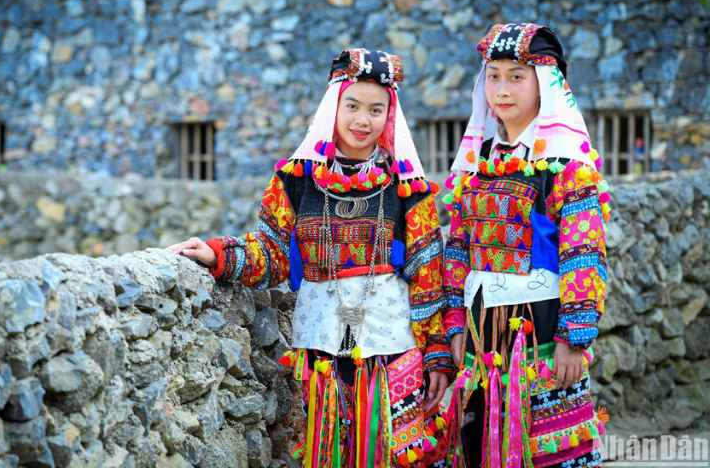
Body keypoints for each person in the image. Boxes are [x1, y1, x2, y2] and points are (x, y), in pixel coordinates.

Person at [167, 49, 454, 467]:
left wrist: (437, 354)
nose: (362, 120)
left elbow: (428, 277)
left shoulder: (408, 189)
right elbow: (272, 254)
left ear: (389, 116)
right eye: (352, 105)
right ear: (333, 105)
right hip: (321, 353)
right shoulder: (296, 179)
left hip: (395, 351)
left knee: (399, 456)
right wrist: (218, 255)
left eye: (376, 110)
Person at [441, 24, 611, 468]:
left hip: (541, 324)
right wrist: (456, 321)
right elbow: (458, 246)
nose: (502, 88)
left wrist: (574, 336)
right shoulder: (477, 166)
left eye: (517, 75)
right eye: (493, 75)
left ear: (546, 83)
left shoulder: (567, 166)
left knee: (547, 444)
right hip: (481, 330)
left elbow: (583, 252)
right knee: (481, 442)